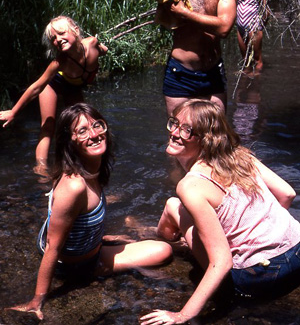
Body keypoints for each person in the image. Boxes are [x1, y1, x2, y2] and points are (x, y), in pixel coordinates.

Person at [140, 99, 300, 324]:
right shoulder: (239, 155)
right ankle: (160, 239)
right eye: (174, 123)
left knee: (174, 206)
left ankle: (163, 243)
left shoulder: (191, 185)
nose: (175, 133)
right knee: (172, 205)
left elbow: (222, 262)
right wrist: (266, 231)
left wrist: (183, 315)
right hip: (298, 253)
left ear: (205, 139)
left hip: (260, 278)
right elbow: (287, 194)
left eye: (187, 130)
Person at [7, 103, 172, 320]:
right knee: (163, 250)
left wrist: (102, 238)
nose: (94, 134)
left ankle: (100, 248)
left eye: (97, 125)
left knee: (151, 245)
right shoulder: (74, 186)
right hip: (73, 265)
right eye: (82, 131)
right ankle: (96, 268)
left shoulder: (93, 167)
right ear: (70, 141)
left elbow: (78, 220)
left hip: (81, 246)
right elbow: (53, 247)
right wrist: (37, 300)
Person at [0, 16, 108, 174]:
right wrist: (14, 111)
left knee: (81, 125)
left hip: (72, 87)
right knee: (48, 126)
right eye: (54, 38)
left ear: (76, 31)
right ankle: (41, 170)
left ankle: (81, 164)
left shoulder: (91, 44)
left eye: (61, 33)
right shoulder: (59, 63)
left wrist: (104, 49)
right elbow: (36, 87)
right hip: (53, 85)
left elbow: (102, 48)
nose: (58, 39)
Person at [236, 0, 269, 72]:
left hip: (253, 29)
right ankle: (246, 74)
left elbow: (266, 12)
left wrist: (260, 26)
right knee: (245, 58)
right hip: (240, 28)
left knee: (257, 58)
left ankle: (257, 79)